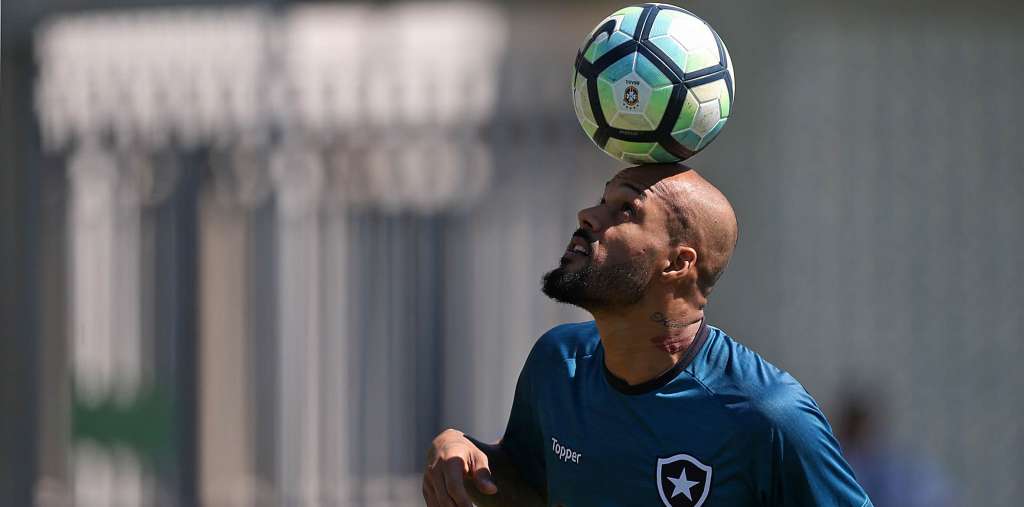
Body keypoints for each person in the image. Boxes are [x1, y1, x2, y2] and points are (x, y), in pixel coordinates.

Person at [422, 164, 872, 507]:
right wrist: (464, 457)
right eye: (602, 200)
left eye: (626, 210)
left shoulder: (768, 415)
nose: (589, 215)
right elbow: (532, 487)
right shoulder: (557, 364)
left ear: (677, 264)